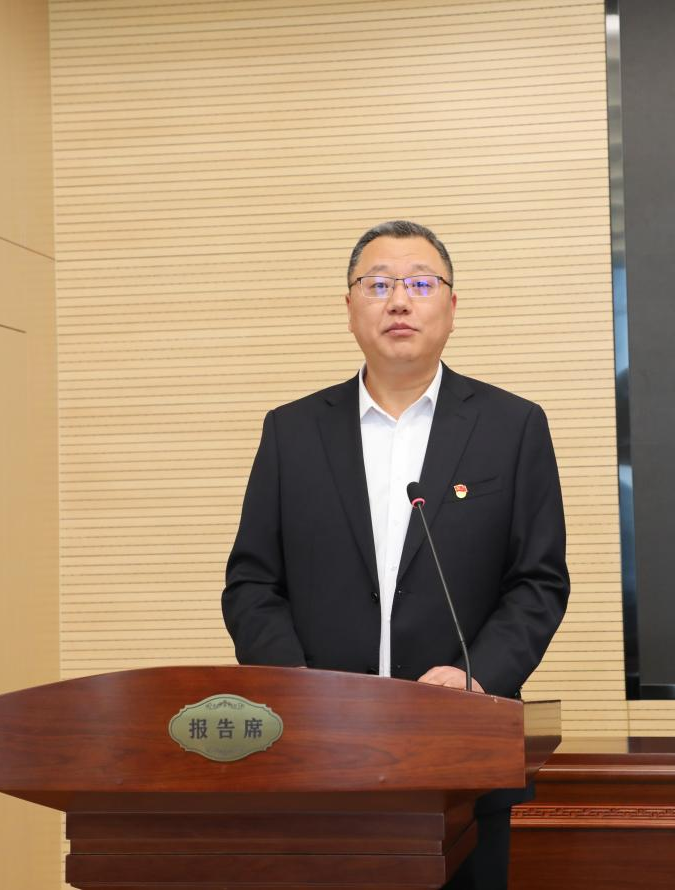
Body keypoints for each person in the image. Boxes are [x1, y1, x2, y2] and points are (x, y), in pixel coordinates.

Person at [222, 220, 570, 889]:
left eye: (420, 284)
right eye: (378, 285)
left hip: (461, 758)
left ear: (452, 305)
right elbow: (252, 584)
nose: (400, 301)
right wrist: (297, 686)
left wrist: (476, 679)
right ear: (350, 305)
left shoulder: (512, 426)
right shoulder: (292, 431)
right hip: (320, 759)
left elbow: (537, 581)